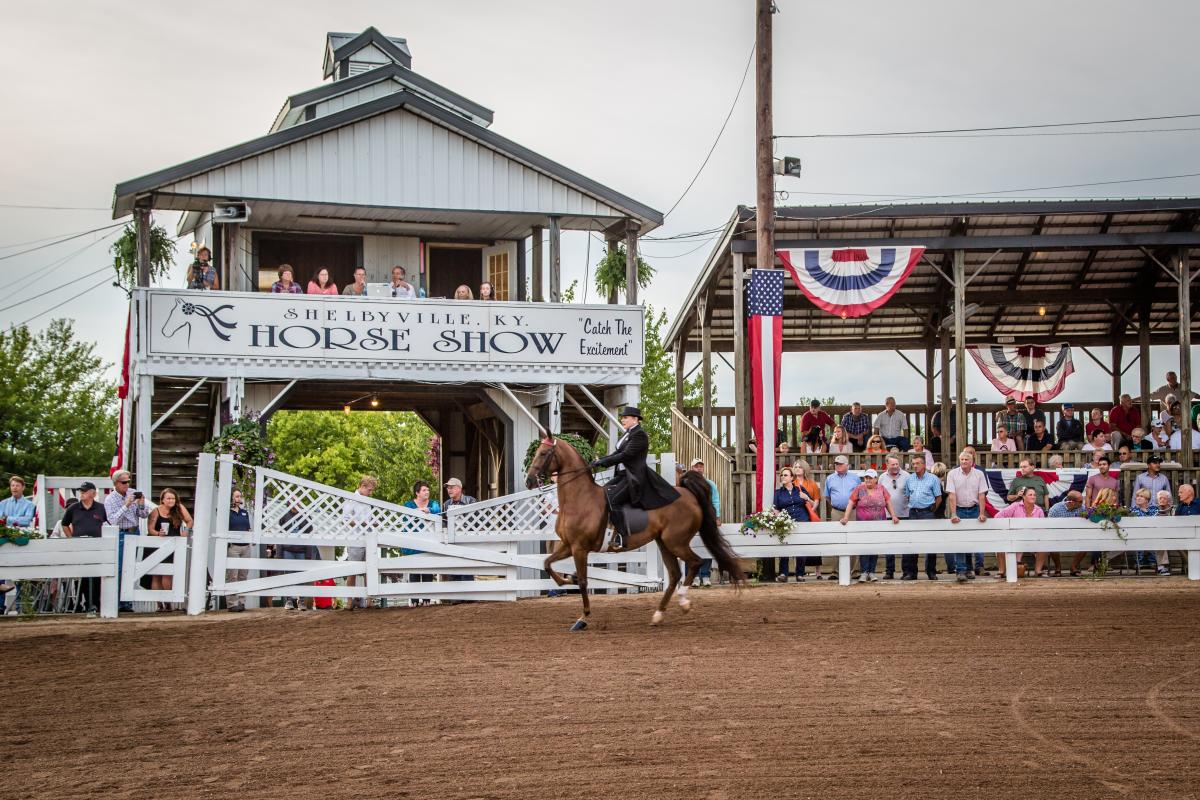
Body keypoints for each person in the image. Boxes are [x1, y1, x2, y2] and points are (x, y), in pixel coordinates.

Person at [590, 407, 680, 550]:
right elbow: (617, 452)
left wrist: (603, 462)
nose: (623, 419)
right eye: (622, 417)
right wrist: (599, 460)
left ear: (635, 419)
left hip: (634, 477)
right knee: (601, 494)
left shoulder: (640, 435)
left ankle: (620, 536)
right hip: (623, 475)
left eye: (626, 417)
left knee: (612, 500)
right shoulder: (628, 434)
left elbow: (626, 455)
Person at [840, 469, 899, 582]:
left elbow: (888, 503)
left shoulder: (881, 488)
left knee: (874, 548)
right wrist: (846, 517)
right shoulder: (859, 489)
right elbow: (851, 503)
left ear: (876, 479)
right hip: (863, 525)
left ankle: (872, 572)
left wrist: (894, 515)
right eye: (866, 477)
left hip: (878, 524)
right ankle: (863, 572)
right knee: (864, 548)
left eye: (870, 477)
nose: (868, 479)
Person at [104, 470, 149, 612]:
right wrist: (126, 505)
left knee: (130, 568)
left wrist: (141, 504)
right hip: (121, 534)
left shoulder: (132, 492)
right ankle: (117, 602)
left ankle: (127, 603)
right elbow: (112, 520)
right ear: (116, 483)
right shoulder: (110, 499)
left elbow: (143, 515)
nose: (127, 484)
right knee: (119, 569)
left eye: (128, 481)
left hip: (134, 531)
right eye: (124, 482)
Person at [61, 482, 106, 612]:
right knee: (83, 576)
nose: (82, 493)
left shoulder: (100, 508)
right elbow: (65, 524)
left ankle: (95, 603)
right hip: (80, 547)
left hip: (97, 547)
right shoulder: (73, 508)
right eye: (81, 491)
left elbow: (108, 523)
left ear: (93, 493)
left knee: (97, 576)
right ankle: (83, 603)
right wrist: (71, 539)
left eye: (84, 491)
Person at [946, 450, 988, 583]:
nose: (964, 462)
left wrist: (982, 513)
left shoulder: (979, 474)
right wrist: (953, 514)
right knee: (959, 540)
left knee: (972, 540)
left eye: (966, 460)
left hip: (974, 509)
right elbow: (951, 495)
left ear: (972, 462)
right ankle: (961, 570)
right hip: (959, 509)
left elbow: (982, 495)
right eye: (962, 459)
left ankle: (969, 569)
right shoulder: (952, 474)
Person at [147, 488, 191, 608]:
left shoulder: (179, 508)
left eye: (173, 498)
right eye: (168, 498)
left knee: (168, 574)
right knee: (156, 575)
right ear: (162, 500)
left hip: (173, 545)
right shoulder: (155, 511)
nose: (171, 500)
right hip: (157, 545)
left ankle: (168, 602)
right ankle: (159, 604)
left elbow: (189, 520)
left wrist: (185, 532)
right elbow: (150, 529)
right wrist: (158, 533)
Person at [903, 454, 943, 580]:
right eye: (913, 463)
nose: (915, 466)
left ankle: (931, 571)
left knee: (930, 542)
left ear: (924, 465)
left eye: (918, 463)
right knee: (912, 542)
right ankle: (912, 572)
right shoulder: (909, 479)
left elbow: (939, 498)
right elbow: (908, 496)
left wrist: (931, 510)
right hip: (913, 513)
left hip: (927, 513)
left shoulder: (933, 479)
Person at [403, 480, 443, 604]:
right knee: (414, 571)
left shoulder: (433, 504)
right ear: (417, 493)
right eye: (424, 490)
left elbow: (438, 511)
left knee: (427, 571)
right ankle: (414, 600)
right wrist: (418, 512)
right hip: (414, 541)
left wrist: (429, 510)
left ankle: (426, 600)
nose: (427, 492)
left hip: (428, 541)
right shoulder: (409, 504)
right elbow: (405, 517)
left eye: (428, 490)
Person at [342, 475, 378, 609]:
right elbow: (346, 519)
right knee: (353, 570)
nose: (370, 492)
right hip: (355, 539)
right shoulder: (351, 499)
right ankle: (349, 601)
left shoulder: (367, 501)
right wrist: (361, 524)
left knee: (370, 569)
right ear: (362, 487)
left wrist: (373, 523)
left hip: (368, 538)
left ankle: (369, 600)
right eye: (369, 490)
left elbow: (369, 518)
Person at [994, 486, 1045, 578]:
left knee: (1043, 545)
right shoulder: (1015, 506)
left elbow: (1043, 528)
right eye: (1030, 495)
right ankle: (1001, 571)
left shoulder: (1039, 510)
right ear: (1024, 497)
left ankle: (1038, 571)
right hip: (1015, 538)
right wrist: (1008, 530)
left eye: (1034, 495)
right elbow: (998, 517)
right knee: (1000, 545)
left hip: (1033, 539)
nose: (1033, 497)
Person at [773, 466, 813, 583]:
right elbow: (776, 509)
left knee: (801, 548)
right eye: (781, 475)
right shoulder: (778, 493)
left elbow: (813, 504)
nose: (783, 477)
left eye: (785, 475)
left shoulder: (800, 489)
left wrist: (807, 498)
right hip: (787, 523)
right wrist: (779, 516)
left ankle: (800, 574)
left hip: (802, 521)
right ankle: (783, 573)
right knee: (785, 547)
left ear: (792, 478)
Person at [276, 505, 316, 610]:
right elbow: (280, 535)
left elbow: (309, 535)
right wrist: (279, 554)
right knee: (288, 575)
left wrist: (308, 554)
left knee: (301, 576)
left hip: (301, 550)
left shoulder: (306, 517)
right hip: (288, 550)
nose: (296, 505)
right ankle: (289, 600)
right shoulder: (284, 516)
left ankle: (301, 600)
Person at [876, 455, 910, 579]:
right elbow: (879, 495)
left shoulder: (907, 476)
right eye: (893, 464)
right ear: (887, 465)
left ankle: (906, 571)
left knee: (905, 544)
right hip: (888, 515)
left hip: (905, 514)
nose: (895, 466)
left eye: (897, 464)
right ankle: (889, 571)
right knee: (889, 544)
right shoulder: (882, 478)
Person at [689, 459, 720, 587]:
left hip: (707, 519)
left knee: (707, 545)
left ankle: (705, 575)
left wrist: (717, 516)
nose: (699, 468)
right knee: (691, 546)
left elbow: (715, 500)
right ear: (692, 469)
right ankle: (694, 576)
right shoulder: (687, 484)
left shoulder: (710, 484)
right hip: (691, 519)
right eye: (696, 466)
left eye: (701, 466)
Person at [791, 460, 824, 579]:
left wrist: (811, 509)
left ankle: (818, 571)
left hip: (810, 515)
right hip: (796, 516)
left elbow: (816, 500)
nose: (798, 468)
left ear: (805, 469)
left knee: (813, 542)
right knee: (798, 543)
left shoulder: (811, 483)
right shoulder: (791, 483)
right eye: (796, 466)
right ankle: (799, 570)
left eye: (800, 467)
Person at [1043, 491, 1084, 577]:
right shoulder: (1055, 509)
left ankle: (1073, 567)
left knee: (1087, 544)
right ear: (1072, 502)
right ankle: (1058, 568)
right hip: (1058, 537)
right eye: (1080, 501)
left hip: (1076, 536)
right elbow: (1049, 527)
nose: (1082, 503)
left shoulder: (1082, 508)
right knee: (1052, 543)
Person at [225, 489, 252, 613]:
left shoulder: (244, 513)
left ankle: (241, 601)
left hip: (245, 546)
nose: (238, 498)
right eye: (236, 496)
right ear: (231, 498)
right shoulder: (226, 513)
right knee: (233, 575)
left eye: (240, 496)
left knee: (243, 575)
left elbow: (248, 528)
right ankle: (232, 603)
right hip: (233, 546)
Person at [824, 455, 861, 521]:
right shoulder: (829, 478)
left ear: (847, 465)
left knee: (852, 531)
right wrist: (837, 505)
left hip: (852, 512)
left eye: (840, 464)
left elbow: (860, 495)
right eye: (836, 464)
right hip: (836, 512)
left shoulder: (855, 478)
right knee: (836, 531)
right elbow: (827, 496)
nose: (838, 465)